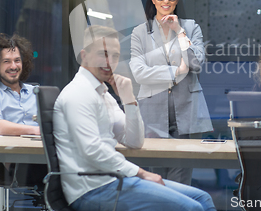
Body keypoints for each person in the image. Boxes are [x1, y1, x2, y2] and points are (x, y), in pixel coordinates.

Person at [54, 25, 216, 211]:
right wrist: (141, 174)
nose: (110, 61)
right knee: (192, 208)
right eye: (103, 54)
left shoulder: (102, 93)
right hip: (93, 190)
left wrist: (129, 99)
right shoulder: (79, 93)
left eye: (115, 56)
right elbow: (92, 151)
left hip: (115, 181)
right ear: (84, 56)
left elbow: (135, 141)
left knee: (202, 198)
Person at [129, 0, 213, 185]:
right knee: (156, 177)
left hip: (187, 111)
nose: (166, 0)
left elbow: (195, 64)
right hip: (152, 112)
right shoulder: (140, 32)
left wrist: (179, 31)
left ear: (176, 0)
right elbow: (139, 73)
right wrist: (175, 71)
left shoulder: (191, 27)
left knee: (181, 177)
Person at [0, 33, 47, 187]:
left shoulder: (37, 91)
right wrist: (37, 130)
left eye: (17, 60)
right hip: (15, 164)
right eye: (6, 61)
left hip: (47, 158)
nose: (13, 66)